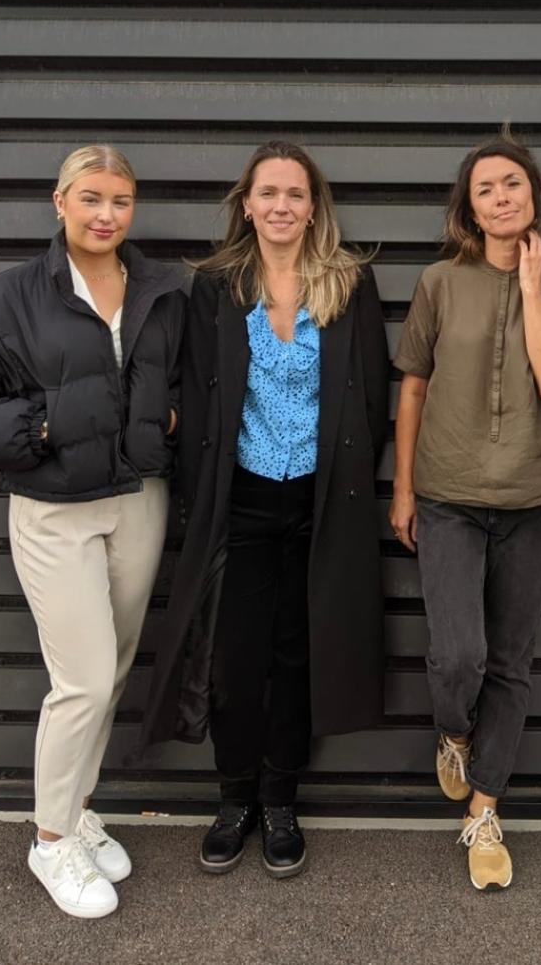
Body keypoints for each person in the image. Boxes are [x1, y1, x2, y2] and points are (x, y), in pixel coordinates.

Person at [0, 145, 185, 919]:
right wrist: (49, 421)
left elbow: (183, 379)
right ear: (60, 202)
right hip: (54, 510)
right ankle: (50, 841)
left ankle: (76, 810)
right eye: (91, 198)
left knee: (111, 672)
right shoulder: (10, 297)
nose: (106, 215)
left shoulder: (160, 290)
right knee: (82, 680)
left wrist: (171, 422)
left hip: (138, 501)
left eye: (120, 201)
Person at [139, 140, 389, 879]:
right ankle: (234, 800)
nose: (282, 206)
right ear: (246, 205)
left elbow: (371, 393)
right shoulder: (216, 287)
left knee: (299, 656)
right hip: (240, 500)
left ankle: (280, 801)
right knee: (234, 661)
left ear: (314, 208)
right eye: (268, 193)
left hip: (319, 501)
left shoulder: (349, 284)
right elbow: (195, 392)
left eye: (295, 194)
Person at [389, 129, 541, 890]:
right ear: (468, 210)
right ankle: (453, 731)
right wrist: (403, 488)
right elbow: (412, 384)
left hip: (533, 496)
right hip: (448, 493)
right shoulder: (440, 283)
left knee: (510, 661)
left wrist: (532, 288)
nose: (502, 197)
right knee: (459, 656)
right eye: (485, 190)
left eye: (512, 183)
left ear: (533, 193)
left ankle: (484, 809)